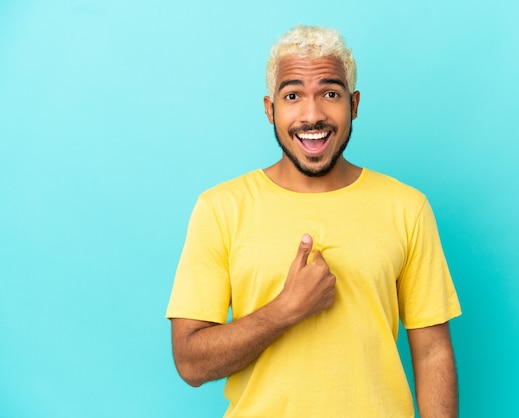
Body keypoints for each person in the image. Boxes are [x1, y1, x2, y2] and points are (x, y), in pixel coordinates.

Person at [166, 25, 461, 418]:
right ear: (270, 109)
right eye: (293, 96)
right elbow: (191, 363)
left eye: (330, 94)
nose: (312, 114)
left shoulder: (407, 207)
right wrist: (286, 309)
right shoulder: (221, 208)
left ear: (354, 104)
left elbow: (432, 350)